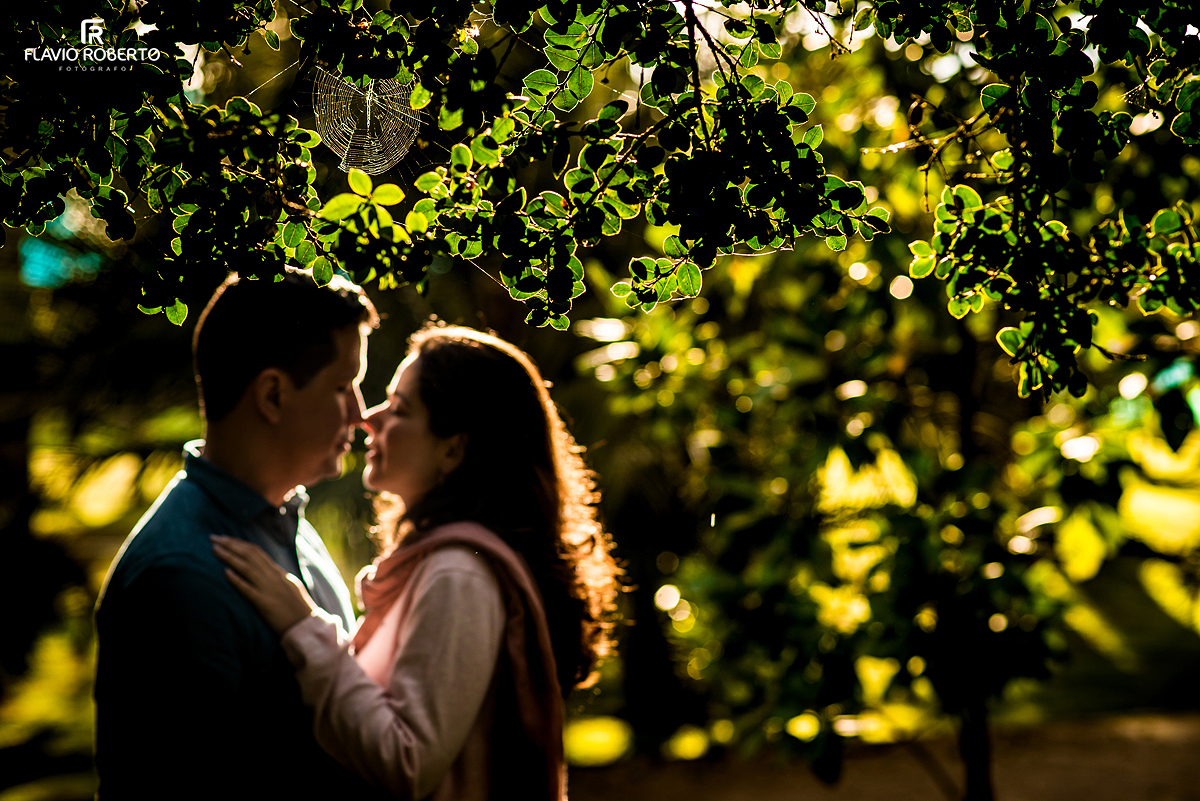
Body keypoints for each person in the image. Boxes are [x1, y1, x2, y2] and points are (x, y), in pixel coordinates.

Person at [211, 323, 621, 801]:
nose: (369, 419)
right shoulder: (443, 564)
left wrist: (304, 628)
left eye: (400, 409)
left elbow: (407, 764)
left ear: (453, 448)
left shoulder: (458, 576)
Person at [94, 268, 390, 800]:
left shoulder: (289, 524)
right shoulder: (180, 577)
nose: (360, 413)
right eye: (344, 385)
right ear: (273, 396)